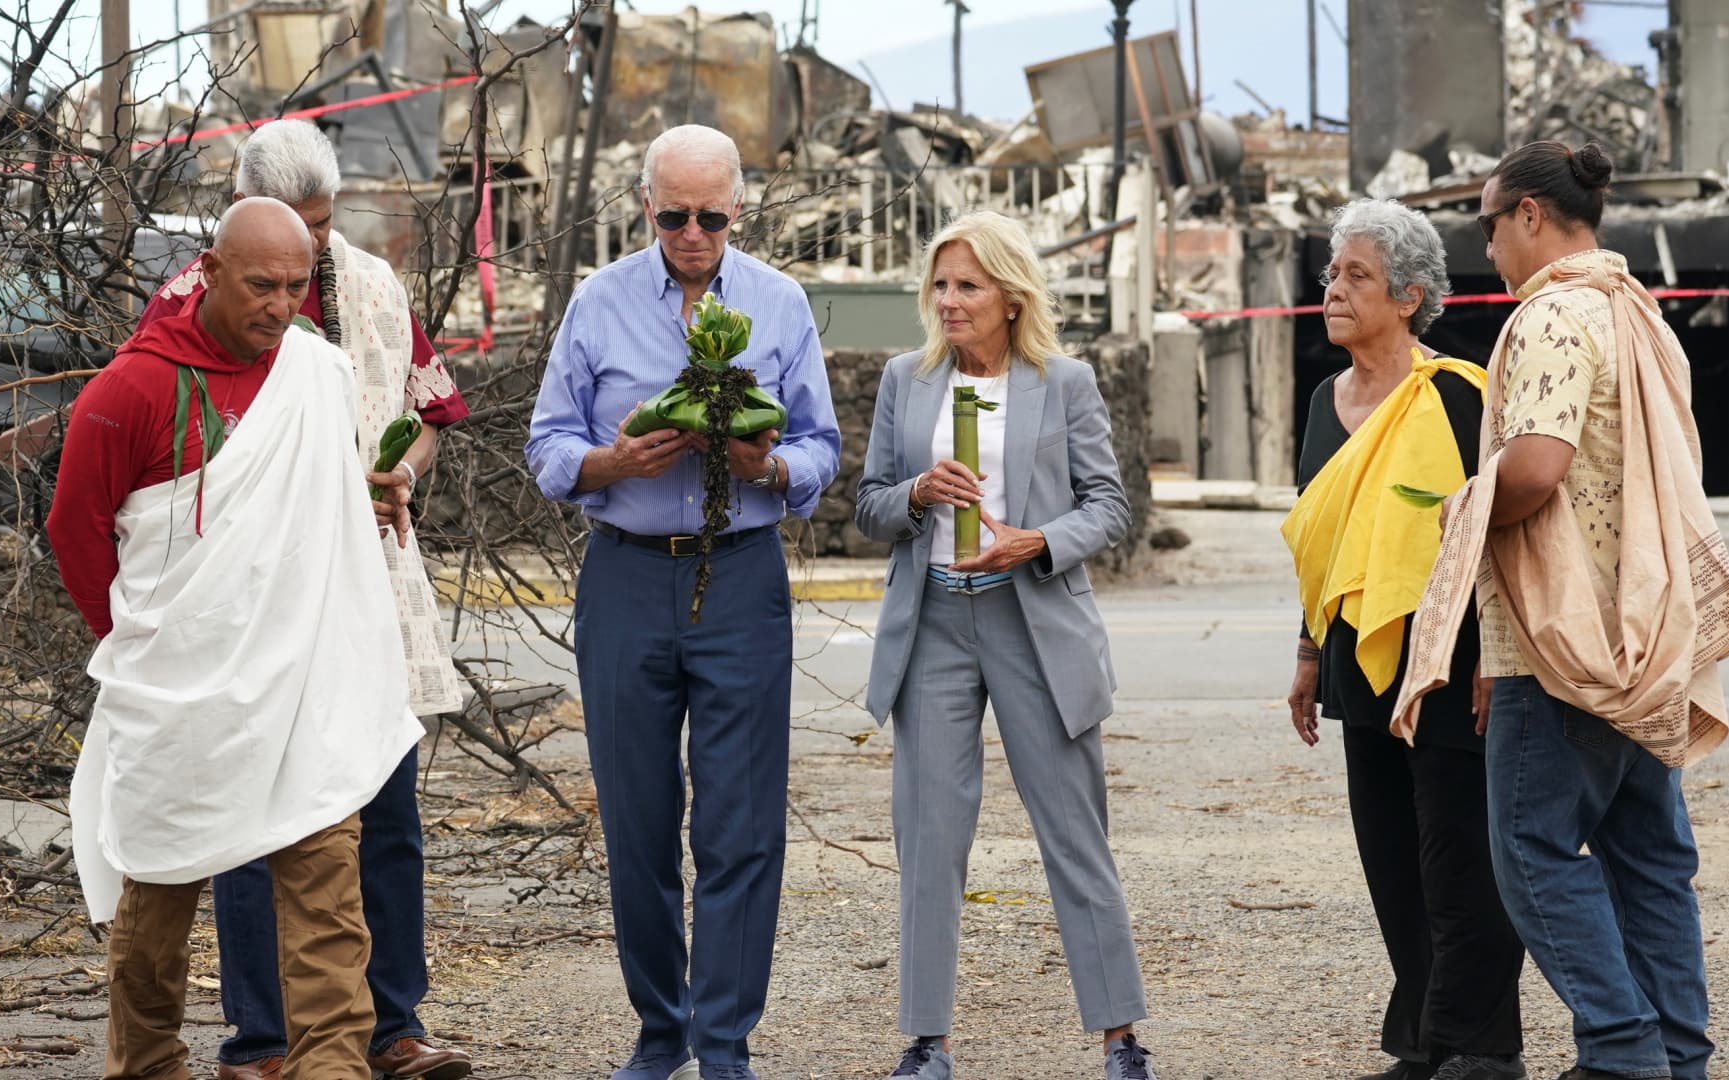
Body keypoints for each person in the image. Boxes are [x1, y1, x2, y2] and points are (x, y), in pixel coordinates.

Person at [1393, 141, 1729, 1080]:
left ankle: (1620, 1050)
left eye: (1488, 222)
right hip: (1644, 623)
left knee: (1531, 851)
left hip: (1556, 639)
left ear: (1529, 216)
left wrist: (1461, 511)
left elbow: (1539, 465)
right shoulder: (1637, 314)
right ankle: (1678, 1056)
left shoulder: (1554, 315)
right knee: (1647, 858)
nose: (1487, 245)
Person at [46, 197, 422, 1079]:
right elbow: (75, 529)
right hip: (177, 687)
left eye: (296, 286)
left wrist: (363, 495)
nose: (279, 305)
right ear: (209, 272)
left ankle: (332, 1068)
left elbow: (313, 507)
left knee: (327, 887)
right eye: (260, 285)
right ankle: (144, 1063)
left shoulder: (316, 373)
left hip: (301, 678)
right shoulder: (130, 389)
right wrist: (145, 640)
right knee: (159, 893)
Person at [135, 119, 472, 1080]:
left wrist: (399, 469)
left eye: (321, 227)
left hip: (369, 583)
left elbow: (427, 411)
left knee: (386, 810)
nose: (310, 251)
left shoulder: (373, 284)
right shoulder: (187, 303)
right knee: (257, 818)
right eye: (292, 228)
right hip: (256, 594)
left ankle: (392, 1028)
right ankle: (265, 1041)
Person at [524, 123, 841, 1080]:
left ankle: (724, 1039)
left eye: (709, 215)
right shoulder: (598, 300)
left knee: (742, 822)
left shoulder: (781, 304)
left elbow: (823, 448)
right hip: (625, 568)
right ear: (646, 208)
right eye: (673, 215)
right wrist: (607, 462)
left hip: (740, 571)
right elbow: (544, 444)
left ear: (737, 208)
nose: (692, 232)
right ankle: (660, 1027)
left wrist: (769, 463)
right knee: (637, 816)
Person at [855, 210, 1159, 1080]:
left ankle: (1120, 1036)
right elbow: (871, 505)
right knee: (929, 838)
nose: (949, 301)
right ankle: (926, 1041)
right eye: (941, 286)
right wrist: (916, 491)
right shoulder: (905, 381)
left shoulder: (1064, 382)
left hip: (1035, 622)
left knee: (1075, 833)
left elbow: (1108, 504)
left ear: (1010, 296)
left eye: (968, 286)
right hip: (935, 625)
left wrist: (1040, 540)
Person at [1280, 199, 1526, 1080]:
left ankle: (1487, 1047)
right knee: (1390, 859)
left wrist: (1501, 651)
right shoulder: (1322, 401)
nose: (1333, 290)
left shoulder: (1458, 396)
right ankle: (1428, 1041)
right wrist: (1309, 654)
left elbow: (1501, 538)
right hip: (1354, 655)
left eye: (1356, 276)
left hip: (1450, 657)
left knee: (1457, 851)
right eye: (1331, 274)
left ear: (1410, 295)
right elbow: (1322, 537)